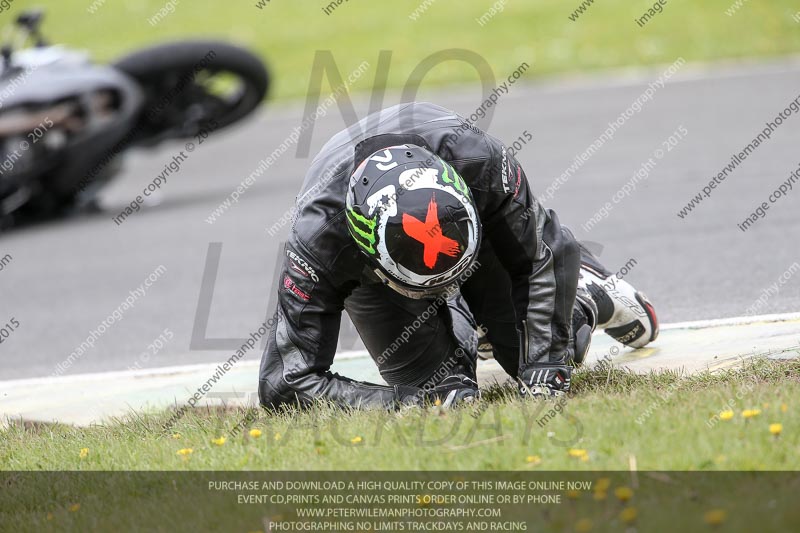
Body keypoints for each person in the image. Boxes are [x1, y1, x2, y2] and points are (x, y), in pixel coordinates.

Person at [258, 102, 658, 410]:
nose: (447, 288)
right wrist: (403, 405)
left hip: (476, 236)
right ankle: (467, 326)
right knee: (446, 399)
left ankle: (588, 292)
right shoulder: (320, 240)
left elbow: (545, 252)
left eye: (452, 280)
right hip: (374, 280)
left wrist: (545, 369)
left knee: (543, 359)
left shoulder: (480, 162)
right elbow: (285, 382)